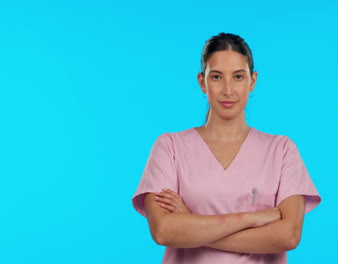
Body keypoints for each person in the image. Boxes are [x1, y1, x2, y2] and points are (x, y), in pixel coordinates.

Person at [132, 32, 321, 263]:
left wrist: (192, 225)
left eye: (238, 77)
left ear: (253, 81)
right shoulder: (170, 147)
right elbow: (163, 231)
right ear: (202, 82)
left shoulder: (281, 150)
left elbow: (288, 236)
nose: (228, 90)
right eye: (217, 77)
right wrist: (250, 219)